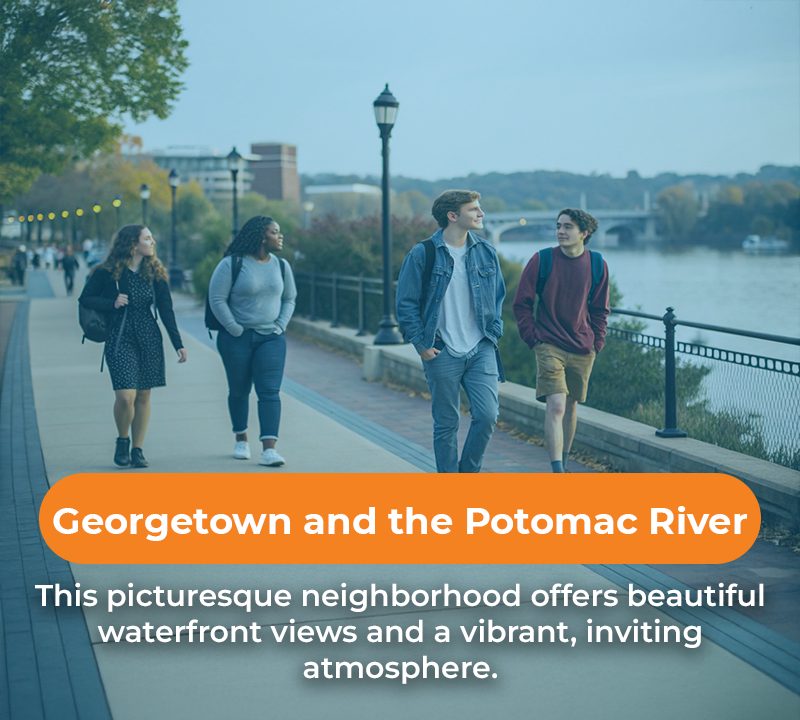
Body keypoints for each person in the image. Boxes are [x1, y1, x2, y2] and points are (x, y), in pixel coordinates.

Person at [396, 190, 505, 473]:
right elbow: (405, 303)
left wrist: (493, 333)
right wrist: (421, 345)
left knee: (487, 415)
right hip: (441, 349)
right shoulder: (423, 254)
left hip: (480, 348)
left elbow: (498, 298)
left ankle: (467, 473)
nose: (481, 214)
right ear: (452, 216)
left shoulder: (486, 252)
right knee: (446, 423)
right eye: (474, 209)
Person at [79, 224, 187, 468]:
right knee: (125, 396)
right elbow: (85, 298)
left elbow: (166, 310)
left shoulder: (155, 272)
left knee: (143, 396)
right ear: (132, 243)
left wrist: (177, 343)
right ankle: (122, 440)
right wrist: (111, 302)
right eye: (147, 238)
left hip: (148, 336)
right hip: (120, 337)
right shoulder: (106, 272)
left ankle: (137, 449)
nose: (152, 242)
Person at [512, 208, 609, 473]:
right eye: (559, 226)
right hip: (548, 344)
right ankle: (558, 472)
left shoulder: (597, 264)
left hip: (582, 346)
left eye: (568, 227)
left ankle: (564, 462)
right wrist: (533, 338)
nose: (561, 232)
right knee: (556, 404)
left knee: (570, 406)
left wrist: (596, 343)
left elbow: (600, 309)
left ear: (584, 233)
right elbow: (522, 303)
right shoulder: (542, 259)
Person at [208, 215, 297, 467]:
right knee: (239, 391)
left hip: (271, 338)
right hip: (236, 339)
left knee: (269, 391)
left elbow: (290, 298)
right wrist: (235, 329)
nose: (280, 236)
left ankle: (269, 450)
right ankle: (241, 439)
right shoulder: (231, 265)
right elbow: (217, 299)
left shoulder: (281, 265)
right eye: (275, 232)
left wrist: (280, 325)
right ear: (261, 236)